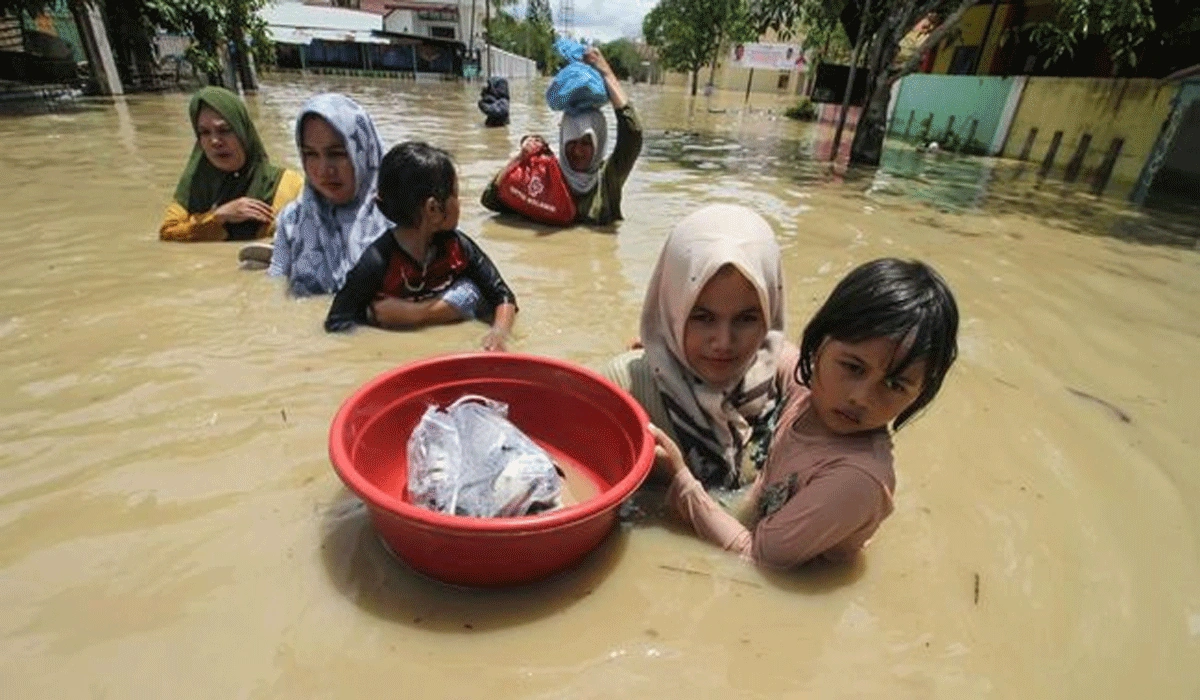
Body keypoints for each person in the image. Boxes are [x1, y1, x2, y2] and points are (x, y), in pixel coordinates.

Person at [650, 258, 959, 568]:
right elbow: (764, 350)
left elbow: (758, 557)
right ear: (819, 345)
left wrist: (681, 480)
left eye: (895, 385)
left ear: (920, 394)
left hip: (789, 568)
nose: (861, 397)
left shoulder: (856, 479)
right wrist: (671, 355)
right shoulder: (809, 389)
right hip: (757, 508)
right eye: (853, 368)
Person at [603, 204, 790, 490]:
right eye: (702, 317)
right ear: (671, 310)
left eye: (746, 319)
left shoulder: (787, 385)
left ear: (770, 313)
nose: (724, 342)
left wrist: (681, 482)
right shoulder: (624, 390)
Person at [325, 142, 518, 352]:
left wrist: (499, 334)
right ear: (433, 209)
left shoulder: (458, 248)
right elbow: (337, 324)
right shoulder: (377, 261)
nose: (460, 202)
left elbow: (503, 296)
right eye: (455, 194)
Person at [481, 47, 642, 226]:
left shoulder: (607, 180)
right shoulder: (547, 174)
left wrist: (605, 71)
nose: (578, 151)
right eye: (571, 142)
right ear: (562, 138)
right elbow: (491, 200)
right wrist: (520, 159)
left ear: (600, 142)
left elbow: (632, 134)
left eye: (586, 143)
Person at [267, 93, 393, 296]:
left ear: (363, 151)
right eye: (311, 154)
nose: (324, 169)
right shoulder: (292, 220)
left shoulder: (403, 214)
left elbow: (459, 285)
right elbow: (273, 287)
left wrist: (416, 314)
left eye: (337, 154)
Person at [159, 86, 303, 242]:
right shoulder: (195, 184)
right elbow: (167, 234)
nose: (215, 141)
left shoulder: (286, 184)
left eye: (225, 130)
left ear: (243, 132)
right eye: (205, 133)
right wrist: (218, 217)